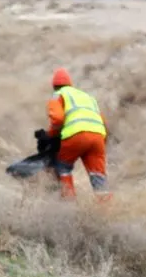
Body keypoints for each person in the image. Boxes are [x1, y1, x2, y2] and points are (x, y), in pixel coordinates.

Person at [44, 67, 108, 199]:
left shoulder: (58, 95)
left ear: (54, 86)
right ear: (70, 83)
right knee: (98, 177)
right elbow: (102, 120)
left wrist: (51, 136)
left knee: (62, 167)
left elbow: (57, 119)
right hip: (98, 137)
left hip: (76, 137)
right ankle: (106, 209)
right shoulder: (88, 97)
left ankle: (69, 205)